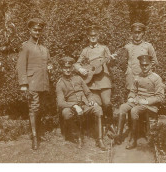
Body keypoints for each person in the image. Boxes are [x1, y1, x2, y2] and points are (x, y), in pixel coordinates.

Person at [56, 57, 107, 151]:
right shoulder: (60, 83)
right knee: (66, 113)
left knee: (98, 109)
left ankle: (100, 140)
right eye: (65, 68)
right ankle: (79, 137)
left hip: (84, 105)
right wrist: (74, 106)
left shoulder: (78, 78)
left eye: (69, 67)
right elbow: (61, 103)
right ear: (61, 69)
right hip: (72, 107)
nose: (67, 70)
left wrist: (92, 101)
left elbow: (88, 93)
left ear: (72, 68)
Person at [115, 55, 165, 149]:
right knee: (122, 107)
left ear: (151, 65)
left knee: (134, 110)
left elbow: (160, 97)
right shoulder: (137, 77)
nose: (144, 67)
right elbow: (133, 90)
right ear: (140, 65)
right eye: (142, 65)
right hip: (137, 101)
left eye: (146, 65)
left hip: (149, 104)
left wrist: (146, 101)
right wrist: (130, 97)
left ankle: (133, 139)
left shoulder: (156, 78)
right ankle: (118, 136)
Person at [16, 18, 51, 150]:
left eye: (39, 30)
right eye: (35, 30)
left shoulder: (44, 48)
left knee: (40, 108)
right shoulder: (25, 46)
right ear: (29, 30)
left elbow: (48, 62)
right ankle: (34, 137)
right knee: (34, 108)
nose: (37, 32)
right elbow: (21, 66)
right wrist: (23, 84)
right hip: (32, 82)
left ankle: (39, 133)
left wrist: (50, 66)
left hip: (43, 83)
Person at [74, 25, 115, 125]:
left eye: (95, 35)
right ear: (88, 37)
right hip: (92, 82)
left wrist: (111, 60)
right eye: (91, 35)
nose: (93, 37)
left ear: (98, 36)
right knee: (97, 104)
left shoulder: (104, 48)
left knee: (107, 103)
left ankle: (110, 124)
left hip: (104, 80)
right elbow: (76, 63)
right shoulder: (85, 50)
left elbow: (110, 63)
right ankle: (100, 127)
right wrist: (81, 69)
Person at [124, 22, 158, 90]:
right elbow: (124, 62)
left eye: (139, 32)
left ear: (143, 33)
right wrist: (129, 71)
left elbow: (154, 62)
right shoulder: (127, 47)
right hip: (131, 77)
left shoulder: (148, 46)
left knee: (144, 96)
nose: (137, 35)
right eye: (135, 32)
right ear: (132, 33)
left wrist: (147, 71)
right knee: (131, 97)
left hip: (144, 76)